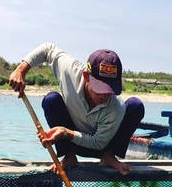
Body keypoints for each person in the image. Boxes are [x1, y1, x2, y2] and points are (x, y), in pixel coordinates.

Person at [9, 43, 144, 175]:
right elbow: (47, 49)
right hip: (71, 143)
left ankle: (109, 156)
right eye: (99, 89)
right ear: (86, 77)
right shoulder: (70, 70)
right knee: (51, 99)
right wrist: (21, 70)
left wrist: (66, 132)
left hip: (101, 146)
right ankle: (69, 156)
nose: (104, 96)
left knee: (135, 106)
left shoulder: (116, 107)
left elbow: (98, 143)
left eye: (109, 90)